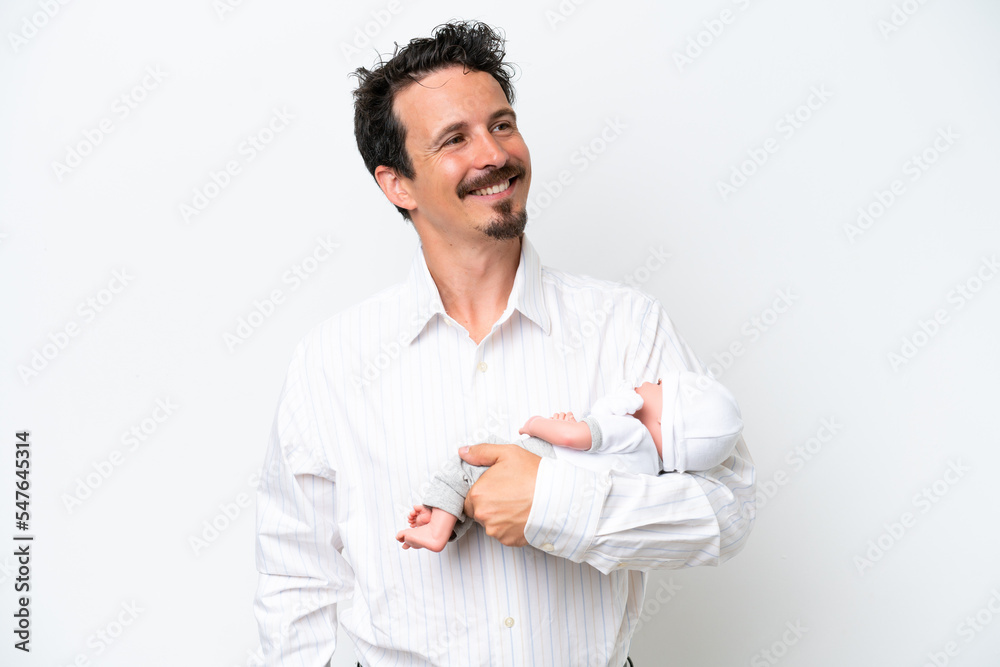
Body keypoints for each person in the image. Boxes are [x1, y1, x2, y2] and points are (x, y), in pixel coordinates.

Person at [254, 20, 755, 666]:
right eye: (455, 139)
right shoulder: (331, 361)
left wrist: (557, 504)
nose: (493, 154)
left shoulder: (626, 325)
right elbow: (295, 577)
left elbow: (726, 510)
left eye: (502, 124)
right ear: (397, 184)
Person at [396, 372, 744, 551]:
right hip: (555, 484)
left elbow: (570, 437)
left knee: (467, 465)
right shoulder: (650, 470)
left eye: (658, 384)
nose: (646, 382)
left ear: (665, 420)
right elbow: (592, 456)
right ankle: (441, 519)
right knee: (478, 487)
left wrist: (537, 425)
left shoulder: (630, 430)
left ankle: (438, 529)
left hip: (542, 458)